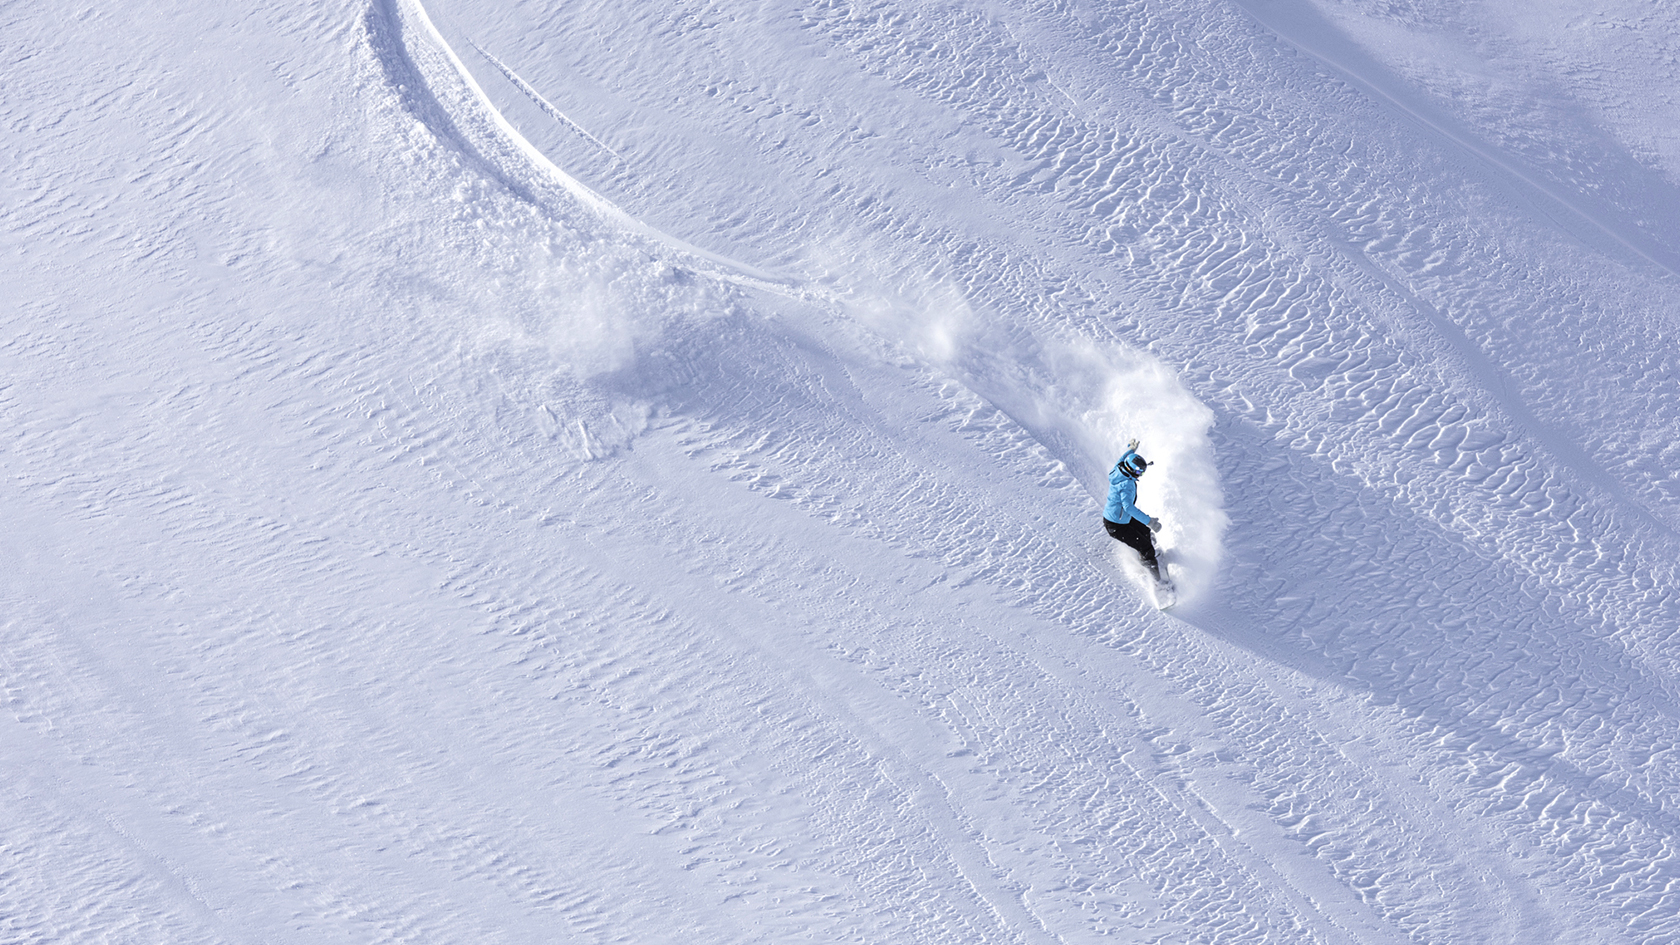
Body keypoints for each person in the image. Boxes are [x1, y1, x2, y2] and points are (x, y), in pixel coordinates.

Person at [1103, 439, 1166, 583]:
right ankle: (1157, 583)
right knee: (1146, 548)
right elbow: (1129, 507)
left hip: (1119, 518)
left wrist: (1131, 450)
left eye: (1142, 472)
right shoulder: (1127, 484)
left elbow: (1122, 459)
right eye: (1138, 471)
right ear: (1130, 469)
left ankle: (1146, 558)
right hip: (1116, 525)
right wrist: (1150, 521)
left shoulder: (1119, 469)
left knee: (1144, 531)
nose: (1139, 474)